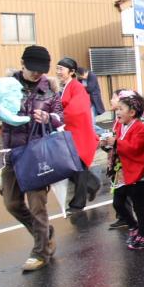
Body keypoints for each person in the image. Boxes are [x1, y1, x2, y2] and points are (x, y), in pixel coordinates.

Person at [0, 46, 63, 271]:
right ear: (22, 63)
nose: (37, 74)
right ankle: (46, 233)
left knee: (38, 205)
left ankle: (40, 252)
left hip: (38, 154)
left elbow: (60, 117)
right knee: (11, 203)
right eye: (32, 69)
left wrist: (48, 116)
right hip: (12, 154)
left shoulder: (49, 90)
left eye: (41, 70)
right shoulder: (5, 86)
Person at [101, 91, 144, 250]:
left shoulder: (140, 128)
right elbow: (117, 145)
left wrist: (116, 142)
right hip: (122, 171)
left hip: (137, 172)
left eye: (121, 109)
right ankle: (134, 226)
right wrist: (107, 144)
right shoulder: (120, 125)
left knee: (138, 206)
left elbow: (135, 149)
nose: (117, 112)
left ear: (132, 112)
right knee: (118, 203)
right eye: (117, 109)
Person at [56, 58, 101, 212]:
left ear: (72, 72)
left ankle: (78, 203)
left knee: (77, 168)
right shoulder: (67, 87)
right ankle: (93, 184)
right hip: (70, 132)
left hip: (78, 133)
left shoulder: (76, 87)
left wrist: (59, 117)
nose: (58, 72)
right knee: (72, 167)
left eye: (61, 69)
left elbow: (78, 110)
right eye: (57, 68)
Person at [76, 66, 106, 135]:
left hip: (93, 101)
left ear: (84, 73)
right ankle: (101, 133)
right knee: (89, 122)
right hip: (85, 102)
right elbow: (79, 88)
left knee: (91, 122)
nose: (80, 77)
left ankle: (103, 132)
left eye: (81, 76)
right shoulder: (80, 79)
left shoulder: (92, 76)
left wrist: (82, 88)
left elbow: (90, 88)